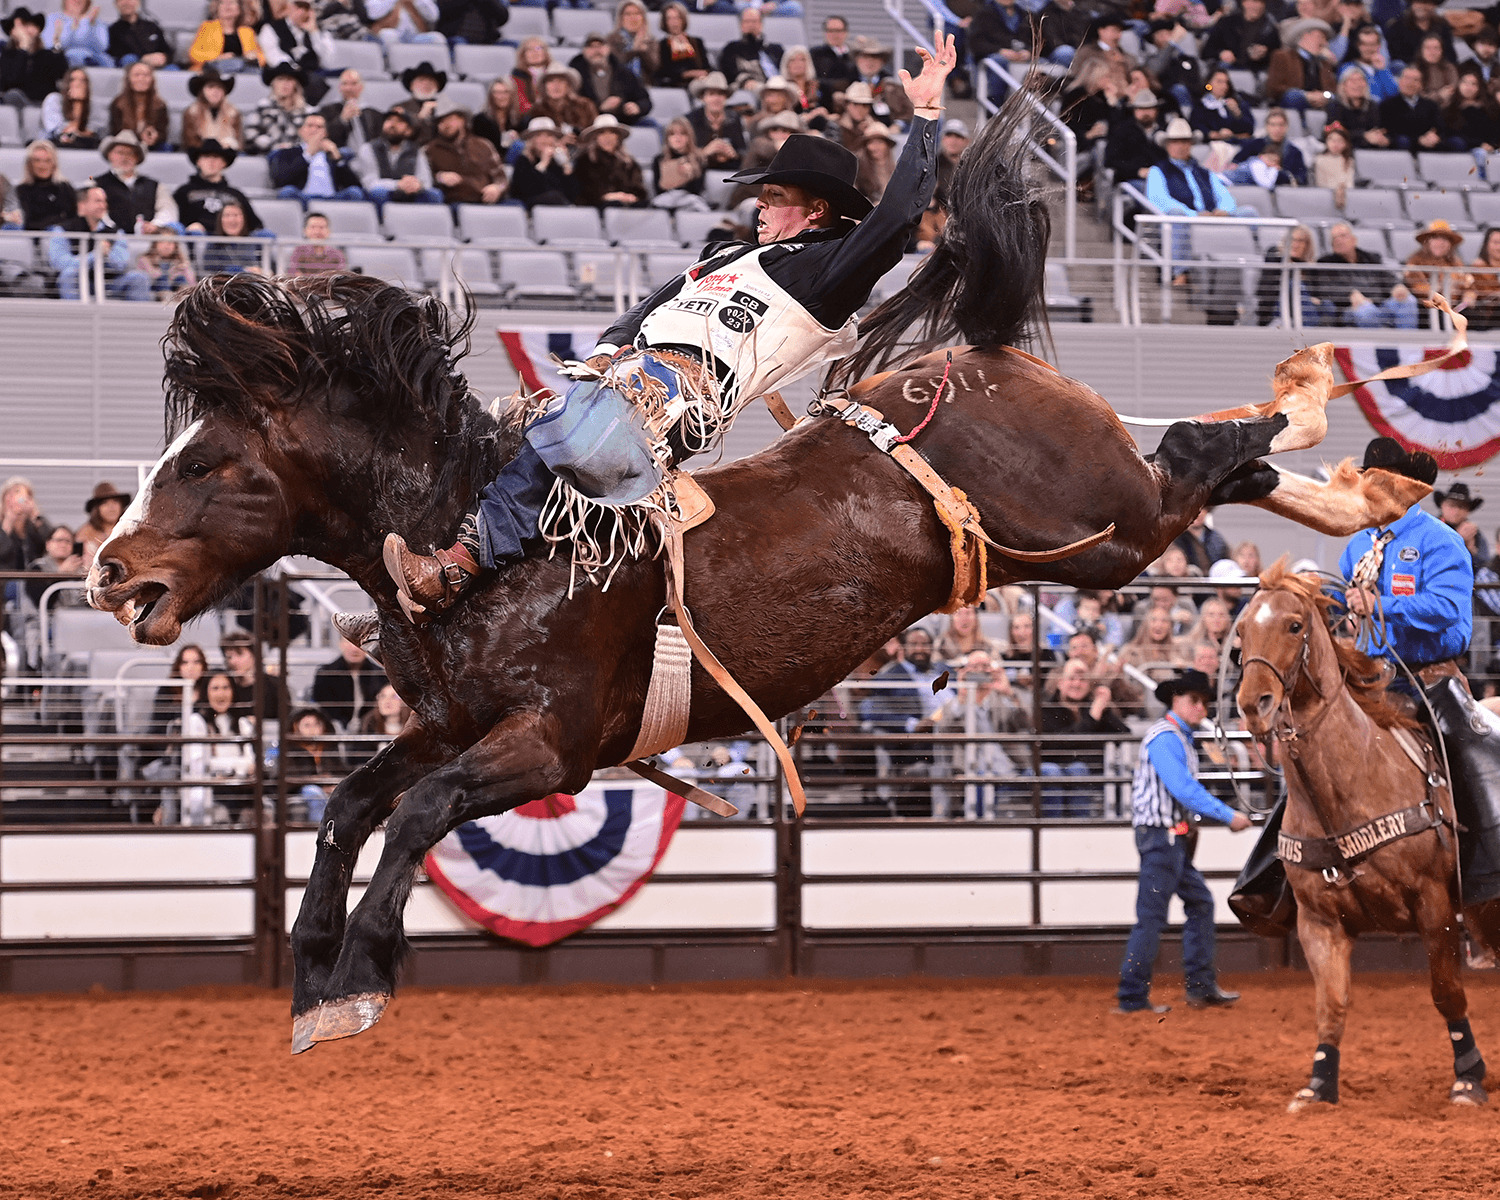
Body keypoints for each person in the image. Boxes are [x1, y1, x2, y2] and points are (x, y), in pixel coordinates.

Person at [382, 36, 960, 620]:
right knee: (499, 436)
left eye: (775, 196)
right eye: (760, 196)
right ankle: (415, 615)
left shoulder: (826, 272)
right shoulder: (723, 255)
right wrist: (610, 350)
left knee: (575, 437)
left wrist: (928, 116)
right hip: (624, 375)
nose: (759, 207)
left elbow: (895, 220)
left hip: (685, 398)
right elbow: (647, 309)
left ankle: (457, 563)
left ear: (816, 211)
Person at [1115, 668, 1252, 1015]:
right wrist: (1227, 815)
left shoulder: (1174, 737)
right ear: (1178, 700)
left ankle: (1196, 986)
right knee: (1156, 916)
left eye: (1204, 702)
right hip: (1162, 838)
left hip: (1166, 838)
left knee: (1194, 905)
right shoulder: (1167, 737)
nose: (1201, 709)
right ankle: (1135, 995)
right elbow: (1183, 789)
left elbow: (1180, 791)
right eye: (1196, 701)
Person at [1340, 438, 1470, 688]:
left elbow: (1448, 607)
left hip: (1429, 676)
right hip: (1370, 673)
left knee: (1454, 728)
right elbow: (1344, 591)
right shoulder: (1359, 543)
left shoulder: (1440, 540)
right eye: (1369, 479)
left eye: (1386, 478)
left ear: (1405, 483)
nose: (1376, 487)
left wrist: (1379, 605)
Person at [1037, 656, 1130, 818]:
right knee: (1072, 769)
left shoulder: (1095, 708)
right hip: (1055, 770)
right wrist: (1093, 716)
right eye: (1072, 678)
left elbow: (1124, 735)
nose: (1077, 684)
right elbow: (1056, 744)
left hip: (1092, 775)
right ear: (1060, 682)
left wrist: (1104, 707)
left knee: (1078, 769)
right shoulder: (1047, 710)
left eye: (1083, 680)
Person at [48, 183, 151, 301]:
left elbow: (122, 264)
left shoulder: (115, 233)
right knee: (68, 275)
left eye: (104, 201)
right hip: (79, 281)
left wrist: (107, 255)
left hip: (108, 283)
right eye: (98, 201)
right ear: (82, 206)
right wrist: (95, 255)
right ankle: (76, 318)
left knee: (138, 278)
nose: (103, 206)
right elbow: (60, 264)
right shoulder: (62, 230)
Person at [1313, 220, 1415, 327]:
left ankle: (1411, 343)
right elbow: (1325, 290)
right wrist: (1351, 294)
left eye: (1343, 236)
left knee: (1408, 301)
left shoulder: (1371, 258)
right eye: (1334, 238)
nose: (1338, 240)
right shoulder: (1325, 263)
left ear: (1354, 239)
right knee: (1366, 311)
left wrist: (1397, 286)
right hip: (1349, 309)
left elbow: (1387, 277)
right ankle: (1380, 343)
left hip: (1379, 304)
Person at [354, 105, 442, 208]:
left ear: (408, 130)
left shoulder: (416, 151)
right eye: (389, 120)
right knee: (378, 193)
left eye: (399, 122)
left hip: (410, 194)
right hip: (384, 194)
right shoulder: (368, 148)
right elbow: (370, 183)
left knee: (434, 194)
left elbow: (426, 181)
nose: (392, 124)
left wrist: (417, 185)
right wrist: (398, 185)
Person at [270, 110, 364, 203]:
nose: (314, 130)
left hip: (332, 199)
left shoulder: (332, 153)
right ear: (301, 131)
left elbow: (355, 185)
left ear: (326, 133)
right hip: (303, 198)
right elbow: (280, 180)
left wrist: (338, 159)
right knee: (287, 192)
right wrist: (308, 154)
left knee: (355, 192)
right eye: (310, 126)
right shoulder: (289, 152)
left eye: (319, 127)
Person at [95, 130, 179, 234]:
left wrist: (155, 224)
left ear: (137, 158)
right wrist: (112, 228)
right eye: (120, 152)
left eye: (130, 153)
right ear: (109, 155)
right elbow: (94, 212)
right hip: (109, 240)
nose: (125, 157)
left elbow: (168, 210)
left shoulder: (154, 185)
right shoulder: (96, 184)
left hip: (148, 241)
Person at [425, 97, 506, 204]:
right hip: (454, 201)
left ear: (462, 120)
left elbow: (501, 177)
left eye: (450, 119)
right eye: (441, 122)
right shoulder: (431, 149)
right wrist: (439, 178)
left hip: (487, 200)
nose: (445, 125)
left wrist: (497, 188)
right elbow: (423, 180)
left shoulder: (483, 145)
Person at [176, 139, 263, 234]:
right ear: (198, 162)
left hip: (230, 243)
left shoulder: (236, 195)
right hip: (195, 242)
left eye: (216, 157)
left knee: (264, 234)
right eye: (206, 157)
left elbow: (256, 225)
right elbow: (174, 222)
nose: (211, 161)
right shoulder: (184, 192)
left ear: (224, 163)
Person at [570, 31, 652, 127]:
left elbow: (644, 99)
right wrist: (600, 108)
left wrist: (637, 107)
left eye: (600, 46)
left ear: (608, 49)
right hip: (587, 125)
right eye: (591, 47)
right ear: (584, 51)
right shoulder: (575, 75)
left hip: (623, 122)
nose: (596, 50)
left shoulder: (624, 73)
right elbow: (571, 106)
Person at [259, 0, 332, 104]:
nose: (301, 11)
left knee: (318, 81)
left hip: (312, 77)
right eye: (298, 6)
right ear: (289, 6)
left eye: (306, 8)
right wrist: (295, 70)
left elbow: (327, 61)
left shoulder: (320, 30)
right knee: (287, 81)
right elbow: (273, 56)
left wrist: (314, 32)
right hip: (285, 73)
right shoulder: (271, 28)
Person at [311, 635, 388, 729]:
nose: (354, 649)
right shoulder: (326, 673)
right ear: (340, 645)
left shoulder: (379, 675)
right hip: (334, 728)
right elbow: (323, 707)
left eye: (360, 644)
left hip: (371, 728)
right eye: (349, 642)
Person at [1257, 224, 1326, 326]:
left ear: (1307, 245)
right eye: (1292, 240)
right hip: (1277, 308)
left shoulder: (1310, 268)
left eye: (1300, 241)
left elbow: (1317, 295)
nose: (1295, 244)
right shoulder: (1275, 257)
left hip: (1305, 309)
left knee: (1327, 305)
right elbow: (1267, 289)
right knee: (1294, 285)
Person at [573, 113, 646, 209]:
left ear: (618, 137)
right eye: (602, 133)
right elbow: (584, 190)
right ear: (595, 137)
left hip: (628, 204)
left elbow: (638, 188)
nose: (607, 137)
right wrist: (608, 196)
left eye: (612, 132)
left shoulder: (629, 162)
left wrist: (630, 196)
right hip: (597, 205)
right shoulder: (585, 160)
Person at [0, 9, 68, 110]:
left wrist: (57, 43)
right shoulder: (7, 56)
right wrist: (23, 48)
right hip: (16, 107)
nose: (25, 30)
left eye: (29, 24)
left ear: (37, 29)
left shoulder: (47, 55)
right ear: (12, 32)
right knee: (13, 95)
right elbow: (9, 82)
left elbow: (63, 74)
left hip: (43, 106)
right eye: (20, 26)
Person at [1267, 18, 1339, 111]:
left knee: (1335, 100)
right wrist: (1305, 95)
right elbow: (1273, 88)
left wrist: (1326, 96)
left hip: (1321, 102)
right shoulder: (1282, 56)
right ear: (1305, 36)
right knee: (1292, 96)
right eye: (1320, 37)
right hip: (1293, 102)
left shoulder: (1325, 62)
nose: (1324, 43)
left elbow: (1332, 90)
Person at [508, 117, 576, 207]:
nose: (545, 140)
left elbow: (571, 194)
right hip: (532, 206)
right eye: (539, 136)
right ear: (532, 140)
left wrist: (566, 166)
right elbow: (527, 190)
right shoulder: (523, 160)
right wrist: (543, 164)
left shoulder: (556, 162)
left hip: (558, 207)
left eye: (549, 135)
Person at [1405, 219, 1474, 306]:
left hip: (1454, 309)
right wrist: (1440, 291)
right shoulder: (1415, 261)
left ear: (1450, 245)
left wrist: (1469, 295)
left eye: (1445, 239)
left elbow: (1469, 283)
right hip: (1426, 310)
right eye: (1435, 238)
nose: (1440, 243)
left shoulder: (1456, 263)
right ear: (1427, 242)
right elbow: (1418, 287)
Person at [1104, 88, 1167, 184]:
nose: (1145, 113)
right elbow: (1111, 161)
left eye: (1149, 108)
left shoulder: (1166, 130)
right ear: (1134, 110)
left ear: (1156, 110)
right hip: (1132, 180)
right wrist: (1137, 171)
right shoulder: (1121, 131)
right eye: (1141, 108)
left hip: (1163, 178)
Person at [1231, 109, 1308, 186]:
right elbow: (1235, 164)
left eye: (1281, 125)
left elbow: (1301, 179)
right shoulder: (1254, 145)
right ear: (1266, 126)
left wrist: (1281, 175)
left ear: (1286, 127)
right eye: (1273, 125)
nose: (1277, 129)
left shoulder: (1295, 152)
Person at [219, 628, 283, 720]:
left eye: (239, 654)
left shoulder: (275, 685)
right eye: (229, 656)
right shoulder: (227, 686)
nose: (233, 661)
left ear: (254, 655)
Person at [249, 61, 311, 155]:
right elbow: (251, 133)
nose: (285, 84)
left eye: (289, 80)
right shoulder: (262, 108)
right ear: (273, 84)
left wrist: (296, 147)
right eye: (280, 79)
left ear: (296, 85)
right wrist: (273, 145)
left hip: (300, 155)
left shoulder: (307, 111)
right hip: (270, 154)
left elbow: (314, 136)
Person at [1376, 64, 1443, 151]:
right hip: (1399, 148)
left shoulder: (1431, 105)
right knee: (1402, 141)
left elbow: (1438, 128)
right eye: (1407, 78)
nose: (1410, 83)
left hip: (1427, 146)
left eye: (1415, 80)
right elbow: (1388, 131)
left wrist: (1433, 136)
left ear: (1421, 85)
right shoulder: (1387, 105)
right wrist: (1418, 140)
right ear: (1399, 81)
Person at [686, 71, 745, 168]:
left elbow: (742, 149)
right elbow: (684, 152)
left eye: (720, 94)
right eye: (711, 94)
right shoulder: (691, 120)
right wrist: (704, 152)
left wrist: (734, 153)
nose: (716, 99)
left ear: (726, 97)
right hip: (700, 169)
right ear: (702, 97)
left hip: (729, 167)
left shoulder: (734, 118)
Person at [16, 141, 77, 233]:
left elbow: (73, 218)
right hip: (32, 237)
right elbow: (29, 221)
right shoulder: (22, 189)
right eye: (37, 160)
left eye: (47, 160)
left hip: (61, 237)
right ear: (29, 164)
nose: (42, 165)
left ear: (54, 164)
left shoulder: (65, 188)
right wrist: (58, 218)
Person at [188, 0, 264, 74]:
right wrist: (218, 58)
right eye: (222, 2)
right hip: (213, 72)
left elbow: (261, 58)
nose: (227, 5)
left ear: (240, 8)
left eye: (232, 2)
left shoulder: (248, 32)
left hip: (242, 71)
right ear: (217, 8)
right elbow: (193, 54)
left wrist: (252, 57)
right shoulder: (207, 27)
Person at [1201, 0, 1279, 70]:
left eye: (1262, 2)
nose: (1258, 6)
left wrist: (1264, 55)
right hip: (1226, 69)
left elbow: (1277, 57)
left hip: (1255, 71)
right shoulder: (1226, 23)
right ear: (1244, 2)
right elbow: (1206, 52)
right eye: (1254, 1)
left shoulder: (1270, 29)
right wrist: (1221, 53)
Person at [719, 6, 784, 89]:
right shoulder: (731, 49)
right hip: (743, 87)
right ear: (741, 25)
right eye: (747, 21)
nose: (750, 25)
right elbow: (728, 73)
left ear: (761, 24)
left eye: (754, 21)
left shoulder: (776, 49)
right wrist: (745, 80)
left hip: (775, 87)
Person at [652, 116, 708, 211]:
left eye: (682, 134)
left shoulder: (699, 158)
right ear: (667, 138)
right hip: (666, 201)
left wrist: (688, 175)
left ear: (689, 137)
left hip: (689, 200)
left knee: (696, 203)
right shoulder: (659, 160)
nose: (677, 138)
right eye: (672, 134)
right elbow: (659, 190)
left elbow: (696, 190)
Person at [109, 60, 169, 151]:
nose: (141, 79)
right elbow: (115, 132)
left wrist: (155, 136)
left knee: (165, 147)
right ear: (128, 79)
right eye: (136, 75)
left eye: (146, 75)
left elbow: (163, 133)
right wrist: (140, 137)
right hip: (126, 145)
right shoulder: (118, 104)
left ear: (152, 79)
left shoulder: (160, 105)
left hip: (152, 146)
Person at [181, 66, 244, 152]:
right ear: (202, 91)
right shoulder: (192, 112)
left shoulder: (233, 112)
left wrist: (228, 146)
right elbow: (190, 142)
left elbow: (238, 141)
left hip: (228, 155)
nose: (215, 91)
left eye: (219, 88)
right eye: (211, 87)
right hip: (200, 155)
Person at [320, 68, 383, 152]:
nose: (349, 88)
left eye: (354, 83)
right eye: (345, 84)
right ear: (340, 87)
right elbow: (324, 136)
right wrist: (342, 119)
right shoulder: (327, 111)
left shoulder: (374, 114)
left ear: (361, 87)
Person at [25, 523, 86, 608]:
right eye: (59, 540)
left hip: (79, 617)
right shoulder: (37, 567)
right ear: (48, 544)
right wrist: (61, 574)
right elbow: (41, 602)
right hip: (46, 618)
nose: (63, 545)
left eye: (68, 541)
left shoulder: (80, 569)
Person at [1432, 481, 1489, 571]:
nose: (1456, 511)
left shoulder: (1474, 533)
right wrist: (1458, 539)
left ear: (1468, 510)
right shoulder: (1432, 527)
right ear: (1442, 505)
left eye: (1461, 507)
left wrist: (1471, 549)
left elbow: (1483, 567)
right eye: (1452, 506)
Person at [1442, 66, 1500, 152]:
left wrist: (1491, 145)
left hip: (1486, 149)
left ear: (1479, 88)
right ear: (1458, 85)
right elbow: (1450, 133)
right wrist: (1478, 144)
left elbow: (1494, 132)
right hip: (1462, 148)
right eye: (1465, 83)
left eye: (1473, 84)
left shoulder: (1488, 109)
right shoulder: (1449, 108)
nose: (1468, 87)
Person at [41, 66, 100, 149]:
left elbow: (96, 130)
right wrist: (77, 103)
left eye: (83, 80)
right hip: (54, 145)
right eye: (73, 80)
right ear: (67, 83)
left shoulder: (93, 104)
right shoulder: (54, 99)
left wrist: (79, 103)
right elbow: (58, 130)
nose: (78, 84)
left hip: (85, 144)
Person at [0, 478, 50, 574]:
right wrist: (8, 522)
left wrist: (35, 515)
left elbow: (50, 543)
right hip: (6, 580)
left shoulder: (35, 525)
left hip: (34, 579)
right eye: (14, 493)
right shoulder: (3, 524)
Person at [43, 0, 112, 70]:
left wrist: (87, 23)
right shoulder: (52, 19)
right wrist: (70, 29)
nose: (77, 1)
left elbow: (102, 47)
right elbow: (49, 45)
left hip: (92, 63)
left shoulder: (96, 22)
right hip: (64, 63)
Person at [655, 2, 709, 91]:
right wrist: (687, 74)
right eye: (669, 18)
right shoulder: (661, 45)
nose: (674, 22)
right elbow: (662, 71)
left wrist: (703, 73)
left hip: (700, 82)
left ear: (683, 19)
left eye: (677, 18)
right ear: (665, 22)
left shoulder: (696, 42)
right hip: (674, 84)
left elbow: (706, 66)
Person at [1190, 67, 1253, 142]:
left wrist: (1237, 112)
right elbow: (1196, 126)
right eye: (1219, 82)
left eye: (1226, 82)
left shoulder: (1237, 103)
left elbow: (1249, 129)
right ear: (1209, 83)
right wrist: (1216, 135)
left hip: (1236, 142)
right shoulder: (1201, 105)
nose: (1224, 86)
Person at [1327, 62, 1383, 146]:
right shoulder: (1335, 106)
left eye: (1361, 80)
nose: (1357, 84)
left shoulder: (1372, 105)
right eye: (1352, 80)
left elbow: (1377, 128)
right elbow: (1334, 131)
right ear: (1343, 86)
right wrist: (1363, 135)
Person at [202, 201, 265, 273]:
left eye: (236, 215)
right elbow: (209, 272)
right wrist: (244, 271)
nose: (232, 220)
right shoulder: (213, 244)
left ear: (244, 218)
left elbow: (270, 268)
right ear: (220, 220)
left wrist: (261, 270)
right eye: (227, 215)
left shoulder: (256, 241)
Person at [79, 480, 130, 567]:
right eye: (105, 503)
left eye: (115, 501)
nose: (111, 507)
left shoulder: (129, 530)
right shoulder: (85, 533)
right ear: (97, 509)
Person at [108, 0, 170, 70]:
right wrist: (143, 59)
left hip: (157, 66)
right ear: (115, 4)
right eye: (122, 0)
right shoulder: (113, 30)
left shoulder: (152, 27)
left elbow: (166, 49)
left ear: (138, 2)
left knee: (172, 69)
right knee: (129, 58)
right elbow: (116, 54)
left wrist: (164, 57)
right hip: (132, 67)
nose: (127, 2)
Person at [471, 77, 520, 161]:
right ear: (491, 96)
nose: (501, 97)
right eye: (497, 93)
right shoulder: (480, 120)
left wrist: (518, 138)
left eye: (506, 92)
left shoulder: (519, 119)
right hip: (489, 160)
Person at [609, 0, 656, 84]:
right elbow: (615, 64)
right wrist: (635, 49)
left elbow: (655, 68)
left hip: (645, 86)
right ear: (621, 18)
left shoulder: (651, 40)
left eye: (637, 14)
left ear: (643, 18)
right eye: (628, 14)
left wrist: (644, 53)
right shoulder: (612, 39)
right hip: (618, 86)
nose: (633, 18)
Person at [286, 210, 346, 274]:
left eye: (321, 227)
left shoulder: (337, 254)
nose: (317, 232)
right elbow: (293, 275)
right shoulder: (298, 252)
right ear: (305, 231)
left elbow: (341, 277)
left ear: (328, 231)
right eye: (313, 227)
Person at [364, 0, 443, 48]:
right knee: (389, 35)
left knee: (437, 38)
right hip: (392, 33)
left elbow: (433, 16)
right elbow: (372, 13)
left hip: (416, 37)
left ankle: (431, 74)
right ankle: (394, 71)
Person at [510, 35, 553, 122]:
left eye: (538, 48)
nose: (535, 52)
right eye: (530, 49)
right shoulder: (518, 76)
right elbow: (522, 106)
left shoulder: (555, 73)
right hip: (530, 117)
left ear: (545, 52)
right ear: (523, 54)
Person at [1312, 121, 1356, 206]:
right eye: (1332, 139)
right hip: (1325, 198)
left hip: (1346, 196)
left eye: (1340, 141)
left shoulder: (1349, 161)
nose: (1335, 144)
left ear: (1346, 144)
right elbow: (1320, 183)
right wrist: (1337, 189)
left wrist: (1342, 189)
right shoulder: (1320, 160)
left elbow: (1350, 183)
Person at [853, 121, 897, 204]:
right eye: (871, 143)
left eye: (880, 142)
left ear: (887, 145)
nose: (876, 147)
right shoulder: (859, 169)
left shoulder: (897, 168)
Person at [435, 0, 507, 45]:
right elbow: (441, 10)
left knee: (513, 45)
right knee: (458, 42)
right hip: (457, 38)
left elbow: (503, 18)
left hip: (488, 40)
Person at [1415, 31, 1458, 106]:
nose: (1432, 52)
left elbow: (1453, 88)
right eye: (1428, 48)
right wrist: (1439, 95)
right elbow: (1416, 96)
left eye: (1436, 48)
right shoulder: (1414, 69)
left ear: (1441, 51)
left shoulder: (1449, 68)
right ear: (1421, 51)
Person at [1470, 226, 1500, 331]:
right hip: (1486, 318)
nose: (1499, 247)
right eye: (1495, 243)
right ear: (1486, 244)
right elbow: (1482, 294)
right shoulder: (1476, 269)